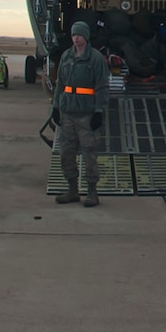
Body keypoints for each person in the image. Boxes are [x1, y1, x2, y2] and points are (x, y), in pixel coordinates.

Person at [53, 21, 107, 207]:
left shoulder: (96, 59)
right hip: (67, 111)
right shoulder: (66, 56)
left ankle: (92, 192)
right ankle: (72, 189)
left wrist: (99, 111)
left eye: (79, 35)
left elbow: (102, 87)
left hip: (86, 113)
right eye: (73, 35)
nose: (76, 38)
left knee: (89, 152)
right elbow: (60, 83)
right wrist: (55, 107)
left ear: (86, 36)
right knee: (66, 152)